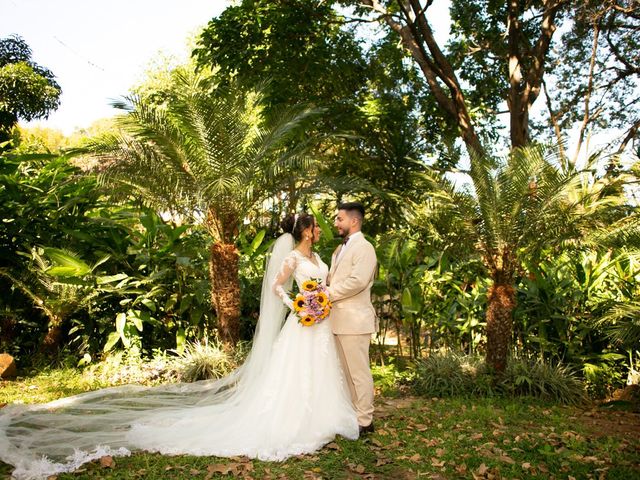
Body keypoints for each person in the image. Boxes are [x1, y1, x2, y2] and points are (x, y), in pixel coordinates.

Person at [0, 212, 358, 480]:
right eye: (314, 226)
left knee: (320, 371)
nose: (318, 230)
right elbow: (277, 287)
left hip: (320, 325)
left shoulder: (316, 258)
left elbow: (324, 285)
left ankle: (324, 416)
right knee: (294, 375)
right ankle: (295, 419)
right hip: (301, 324)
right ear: (304, 231)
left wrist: (320, 299)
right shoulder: (293, 257)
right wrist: (296, 303)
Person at [327, 202, 378, 434]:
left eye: (339, 219)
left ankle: (365, 421)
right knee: (346, 373)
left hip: (356, 321)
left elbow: (358, 281)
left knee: (359, 373)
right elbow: (331, 279)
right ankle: (353, 415)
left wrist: (329, 294)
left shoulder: (365, 248)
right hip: (338, 320)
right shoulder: (339, 250)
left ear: (353, 221)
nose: (336, 223)